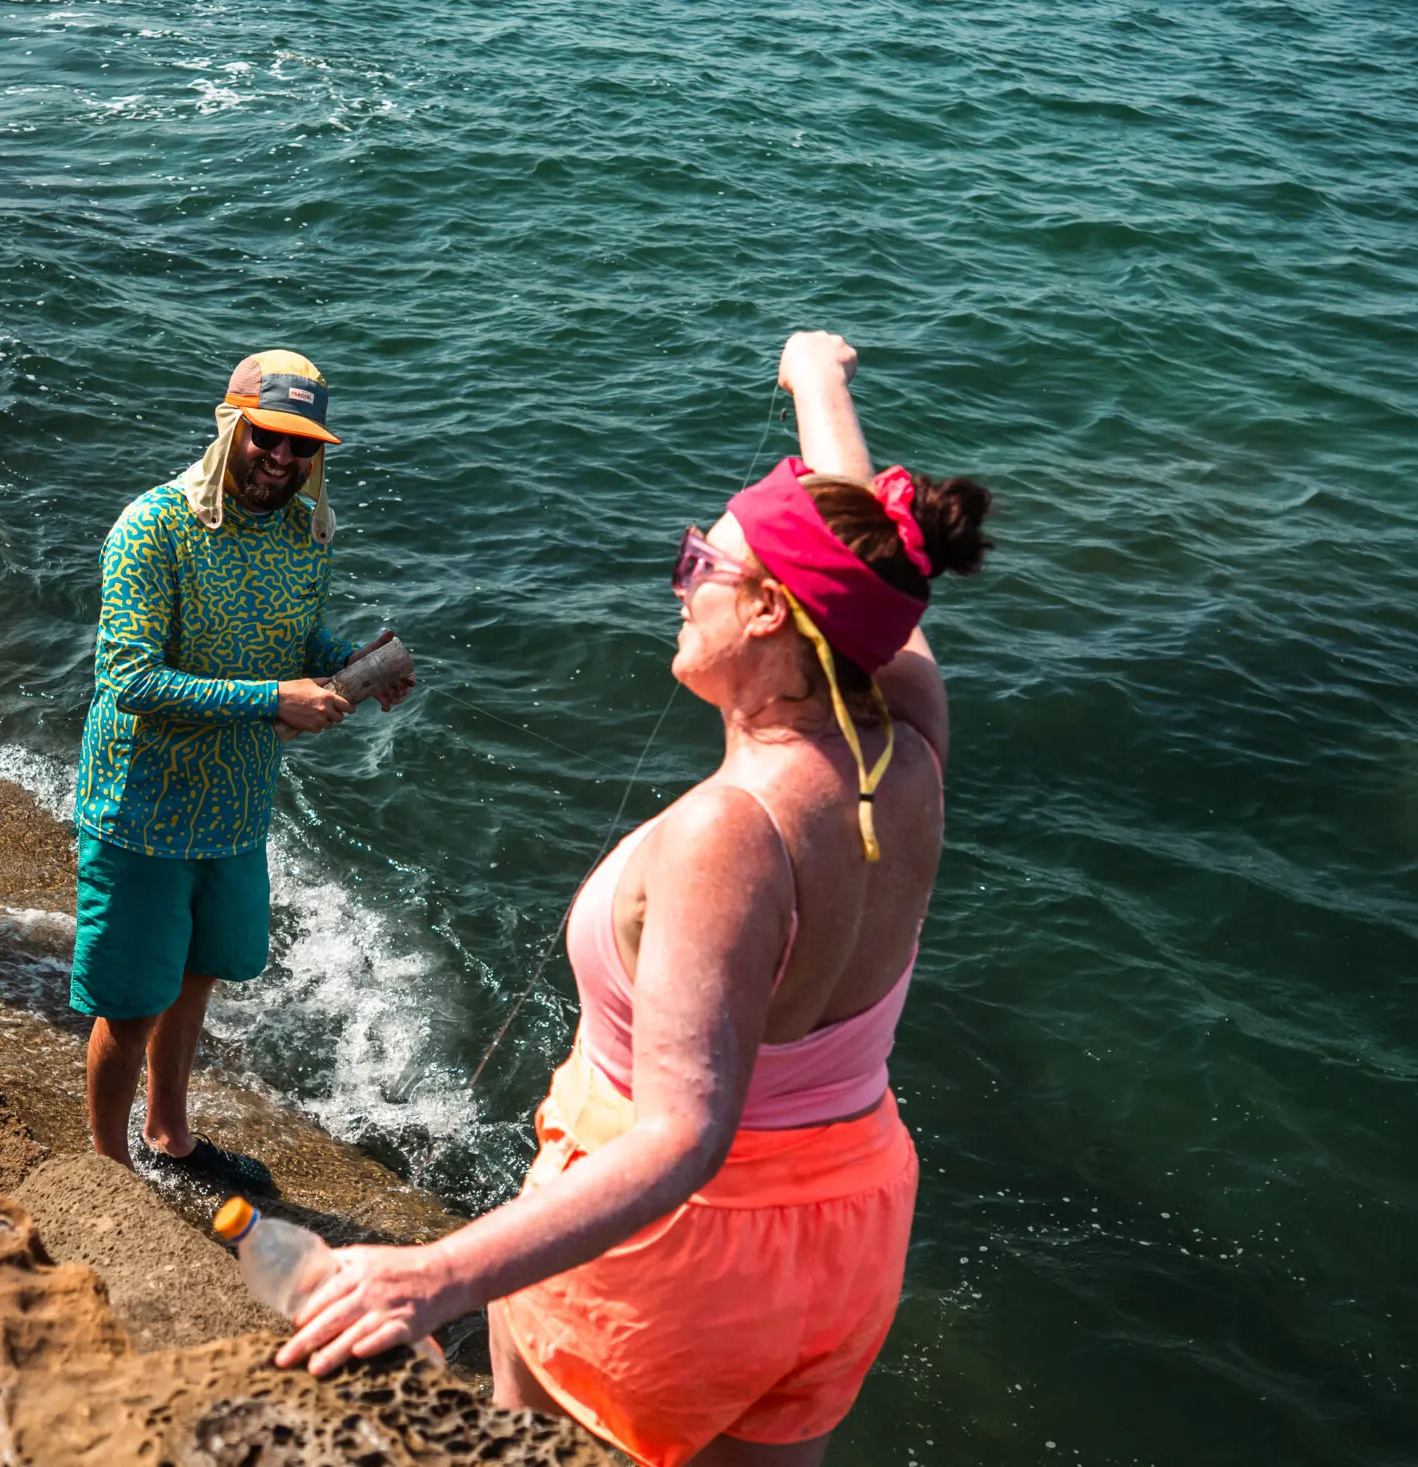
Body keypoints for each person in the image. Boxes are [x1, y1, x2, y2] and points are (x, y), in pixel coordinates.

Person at [273, 331, 995, 1467]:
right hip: (848, 1233)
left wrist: (431, 1275)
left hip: (675, 1257)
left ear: (766, 612)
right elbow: (870, 573)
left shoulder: (732, 832)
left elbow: (683, 1138)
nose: (682, 580)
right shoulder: (904, 740)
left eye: (700, 562)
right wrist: (817, 383)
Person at [73, 350, 414, 1188]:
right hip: (141, 805)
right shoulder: (152, 528)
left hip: (234, 804)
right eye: (267, 437)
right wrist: (272, 701)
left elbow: (297, 639)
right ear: (232, 427)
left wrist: (354, 665)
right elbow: (131, 681)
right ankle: (106, 1169)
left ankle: (170, 1134)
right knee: (131, 1003)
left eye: (302, 447)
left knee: (198, 976)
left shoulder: (303, 532)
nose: (283, 459)